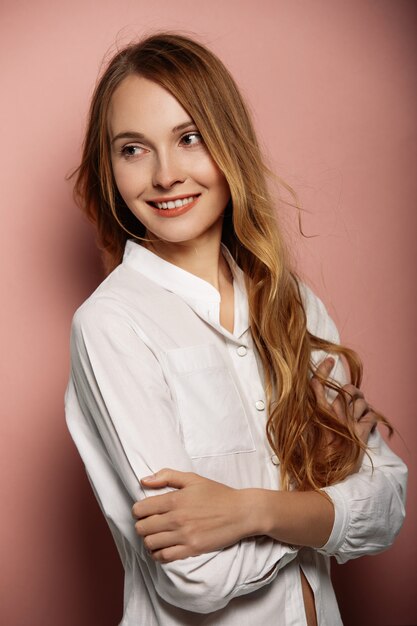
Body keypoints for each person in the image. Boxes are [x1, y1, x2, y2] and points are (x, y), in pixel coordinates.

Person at [65, 33, 407, 626]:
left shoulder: (293, 305)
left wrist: (249, 511)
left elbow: (386, 506)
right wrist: (323, 506)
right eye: (133, 149)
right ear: (109, 166)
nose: (166, 175)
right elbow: (193, 577)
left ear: (230, 143)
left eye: (189, 138)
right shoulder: (112, 324)